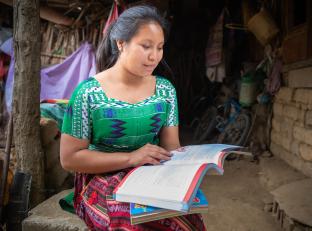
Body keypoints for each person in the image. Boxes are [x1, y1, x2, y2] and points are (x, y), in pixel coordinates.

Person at [60, 5, 206, 231]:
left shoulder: (165, 90)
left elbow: (171, 148)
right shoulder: (88, 93)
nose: (154, 56)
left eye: (160, 47)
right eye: (146, 46)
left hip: (150, 175)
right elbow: (70, 159)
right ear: (121, 43)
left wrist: (190, 164)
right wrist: (131, 158)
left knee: (187, 220)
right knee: (131, 221)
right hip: (100, 179)